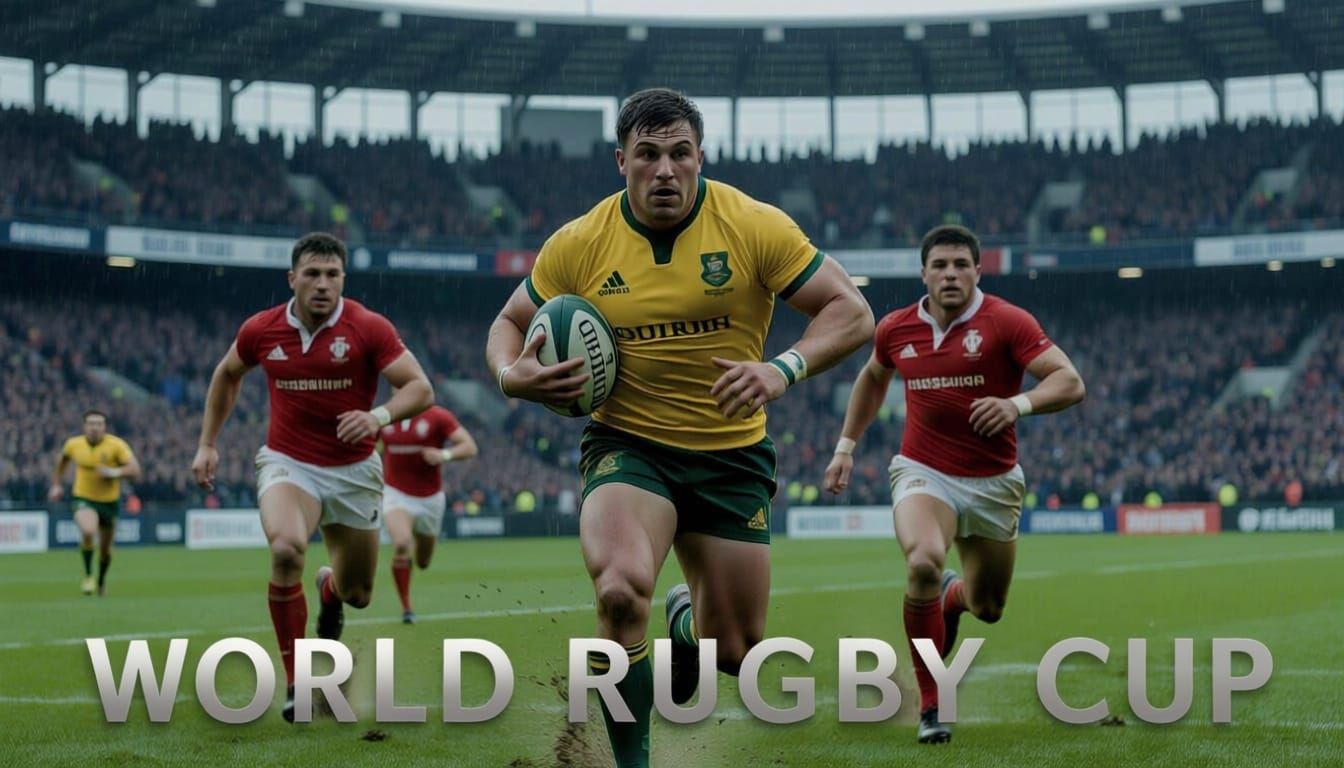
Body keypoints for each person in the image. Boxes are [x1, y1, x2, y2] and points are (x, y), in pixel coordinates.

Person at [485, 88, 873, 768]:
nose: (665, 170)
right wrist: (510, 375)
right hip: (629, 446)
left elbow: (851, 310)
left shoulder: (753, 224)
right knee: (617, 589)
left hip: (731, 456)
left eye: (679, 154)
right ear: (621, 161)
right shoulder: (578, 242)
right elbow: (509, 323)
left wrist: (783, 368)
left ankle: (688, 628)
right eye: (648, 155)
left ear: (701, 158)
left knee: (739, 650)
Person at [823, 224, 1086, 744]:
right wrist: (845, 448)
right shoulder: (896, 329)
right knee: (922, 560)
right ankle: (931, 706)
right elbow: (874, 377)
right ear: (923, 273)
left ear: (977, 271)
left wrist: (1017, 403)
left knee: (988, 608)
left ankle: (952, 600)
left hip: (993, 484)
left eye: (961, 265)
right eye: (939, 265)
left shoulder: (1007, 322)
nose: (950, 274)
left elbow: (1070, 381)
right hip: (924, 473)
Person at [190, 232, 433, 722]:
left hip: (354, 472)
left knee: (359, 594)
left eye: (332, 275)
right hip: (289, 464)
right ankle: (299, 681)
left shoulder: (367, 326)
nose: (323, 284)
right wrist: (207, 443)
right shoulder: (262, 330)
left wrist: (379, 416)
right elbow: (227, 374)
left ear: (343, 278)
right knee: (285, 550)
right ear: (292, 279)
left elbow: (420, 387)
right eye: (312, 274)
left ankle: (329, 590)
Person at [379, 401, 478, 624]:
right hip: (395, 493)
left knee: (423, 561)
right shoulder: (383, 416)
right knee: (402, 543)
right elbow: (364, 445)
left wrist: (444, 455)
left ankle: (414, 556)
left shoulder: (439, 417)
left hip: (430, 500)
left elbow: (469, 446)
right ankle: (407, 608)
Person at [48, 409, 142, 596]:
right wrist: (56, 485)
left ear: (105, 427)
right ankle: (88, 575)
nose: (95, 428)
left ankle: (100, 581)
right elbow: (62, 461)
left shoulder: (116, 445)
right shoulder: (73, 445)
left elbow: (135, 471)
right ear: (84, 426)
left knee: (106, 551)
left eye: (99, 424)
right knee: (89, 530)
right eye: (91, 424)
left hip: (109, 502)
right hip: (83, 498)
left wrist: (114, 472)